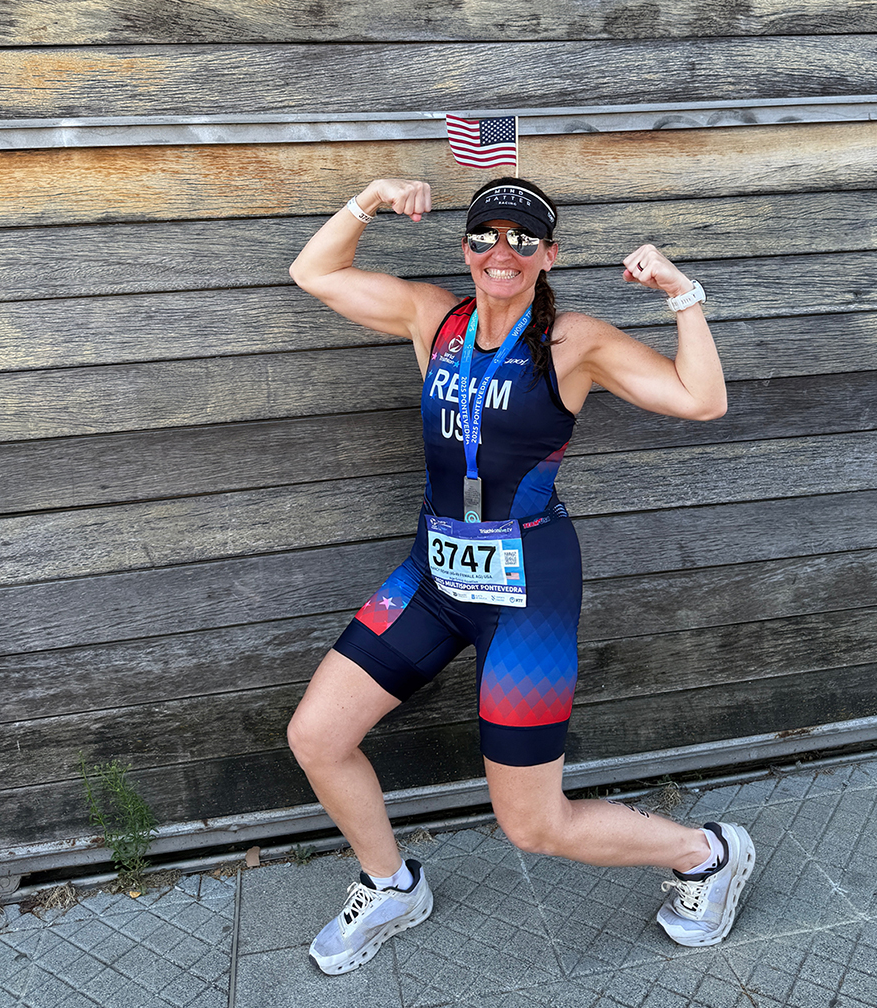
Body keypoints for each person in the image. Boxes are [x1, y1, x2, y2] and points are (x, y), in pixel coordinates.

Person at [287, 177, 754, 975]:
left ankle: (705, 853)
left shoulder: (574, 341)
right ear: (464, 248)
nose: (501, 253)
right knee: (317, 737)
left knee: (533, 824)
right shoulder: (433, 319)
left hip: (527, 591)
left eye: (524, 240)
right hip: (437, 571)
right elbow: (315, 272)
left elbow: (700, 399)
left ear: (549, 255)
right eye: (484, 237)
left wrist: (684, 294)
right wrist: (367, 199)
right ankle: (391, 884)